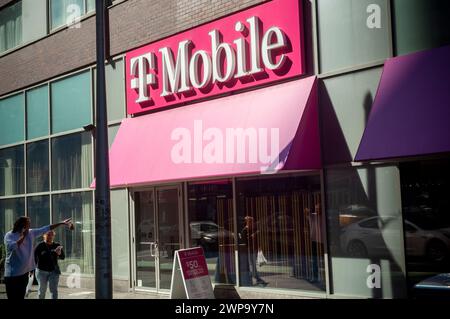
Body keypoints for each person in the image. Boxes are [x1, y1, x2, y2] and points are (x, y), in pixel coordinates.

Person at [3, 216, 73, 299]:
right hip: (13, 275)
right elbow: (13, 247)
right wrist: (23, 236)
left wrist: (61, 223)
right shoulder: (9, 235)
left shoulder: (31, 233)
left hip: (24, 273)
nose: (30, 226)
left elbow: (45, 228)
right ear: (22, 225)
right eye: (28, 224)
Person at [34, 230, 65, 299]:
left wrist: (59, 254)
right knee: (42, 291)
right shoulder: (40, 245)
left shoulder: (57, 245)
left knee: (54, 291)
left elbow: (63, 257)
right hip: (42, 271)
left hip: (54, 271)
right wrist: (31, 269)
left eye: (52, 235)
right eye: (48, 235)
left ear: (54, 236)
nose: (50, 237)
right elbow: (35, 258)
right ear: (44, 236)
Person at [240, 216, 267, 286]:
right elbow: (244, 241)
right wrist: (252, 236)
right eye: (250, 221)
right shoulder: (245, 230)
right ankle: (254, 275)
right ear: (247, 222)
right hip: (248, 249)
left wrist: (259, 246)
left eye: (252, 221)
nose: (252, 223)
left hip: (253, 248)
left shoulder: (253, 229)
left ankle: (254, 275)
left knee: (253, 262)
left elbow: (257, 239)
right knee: (251, 263)